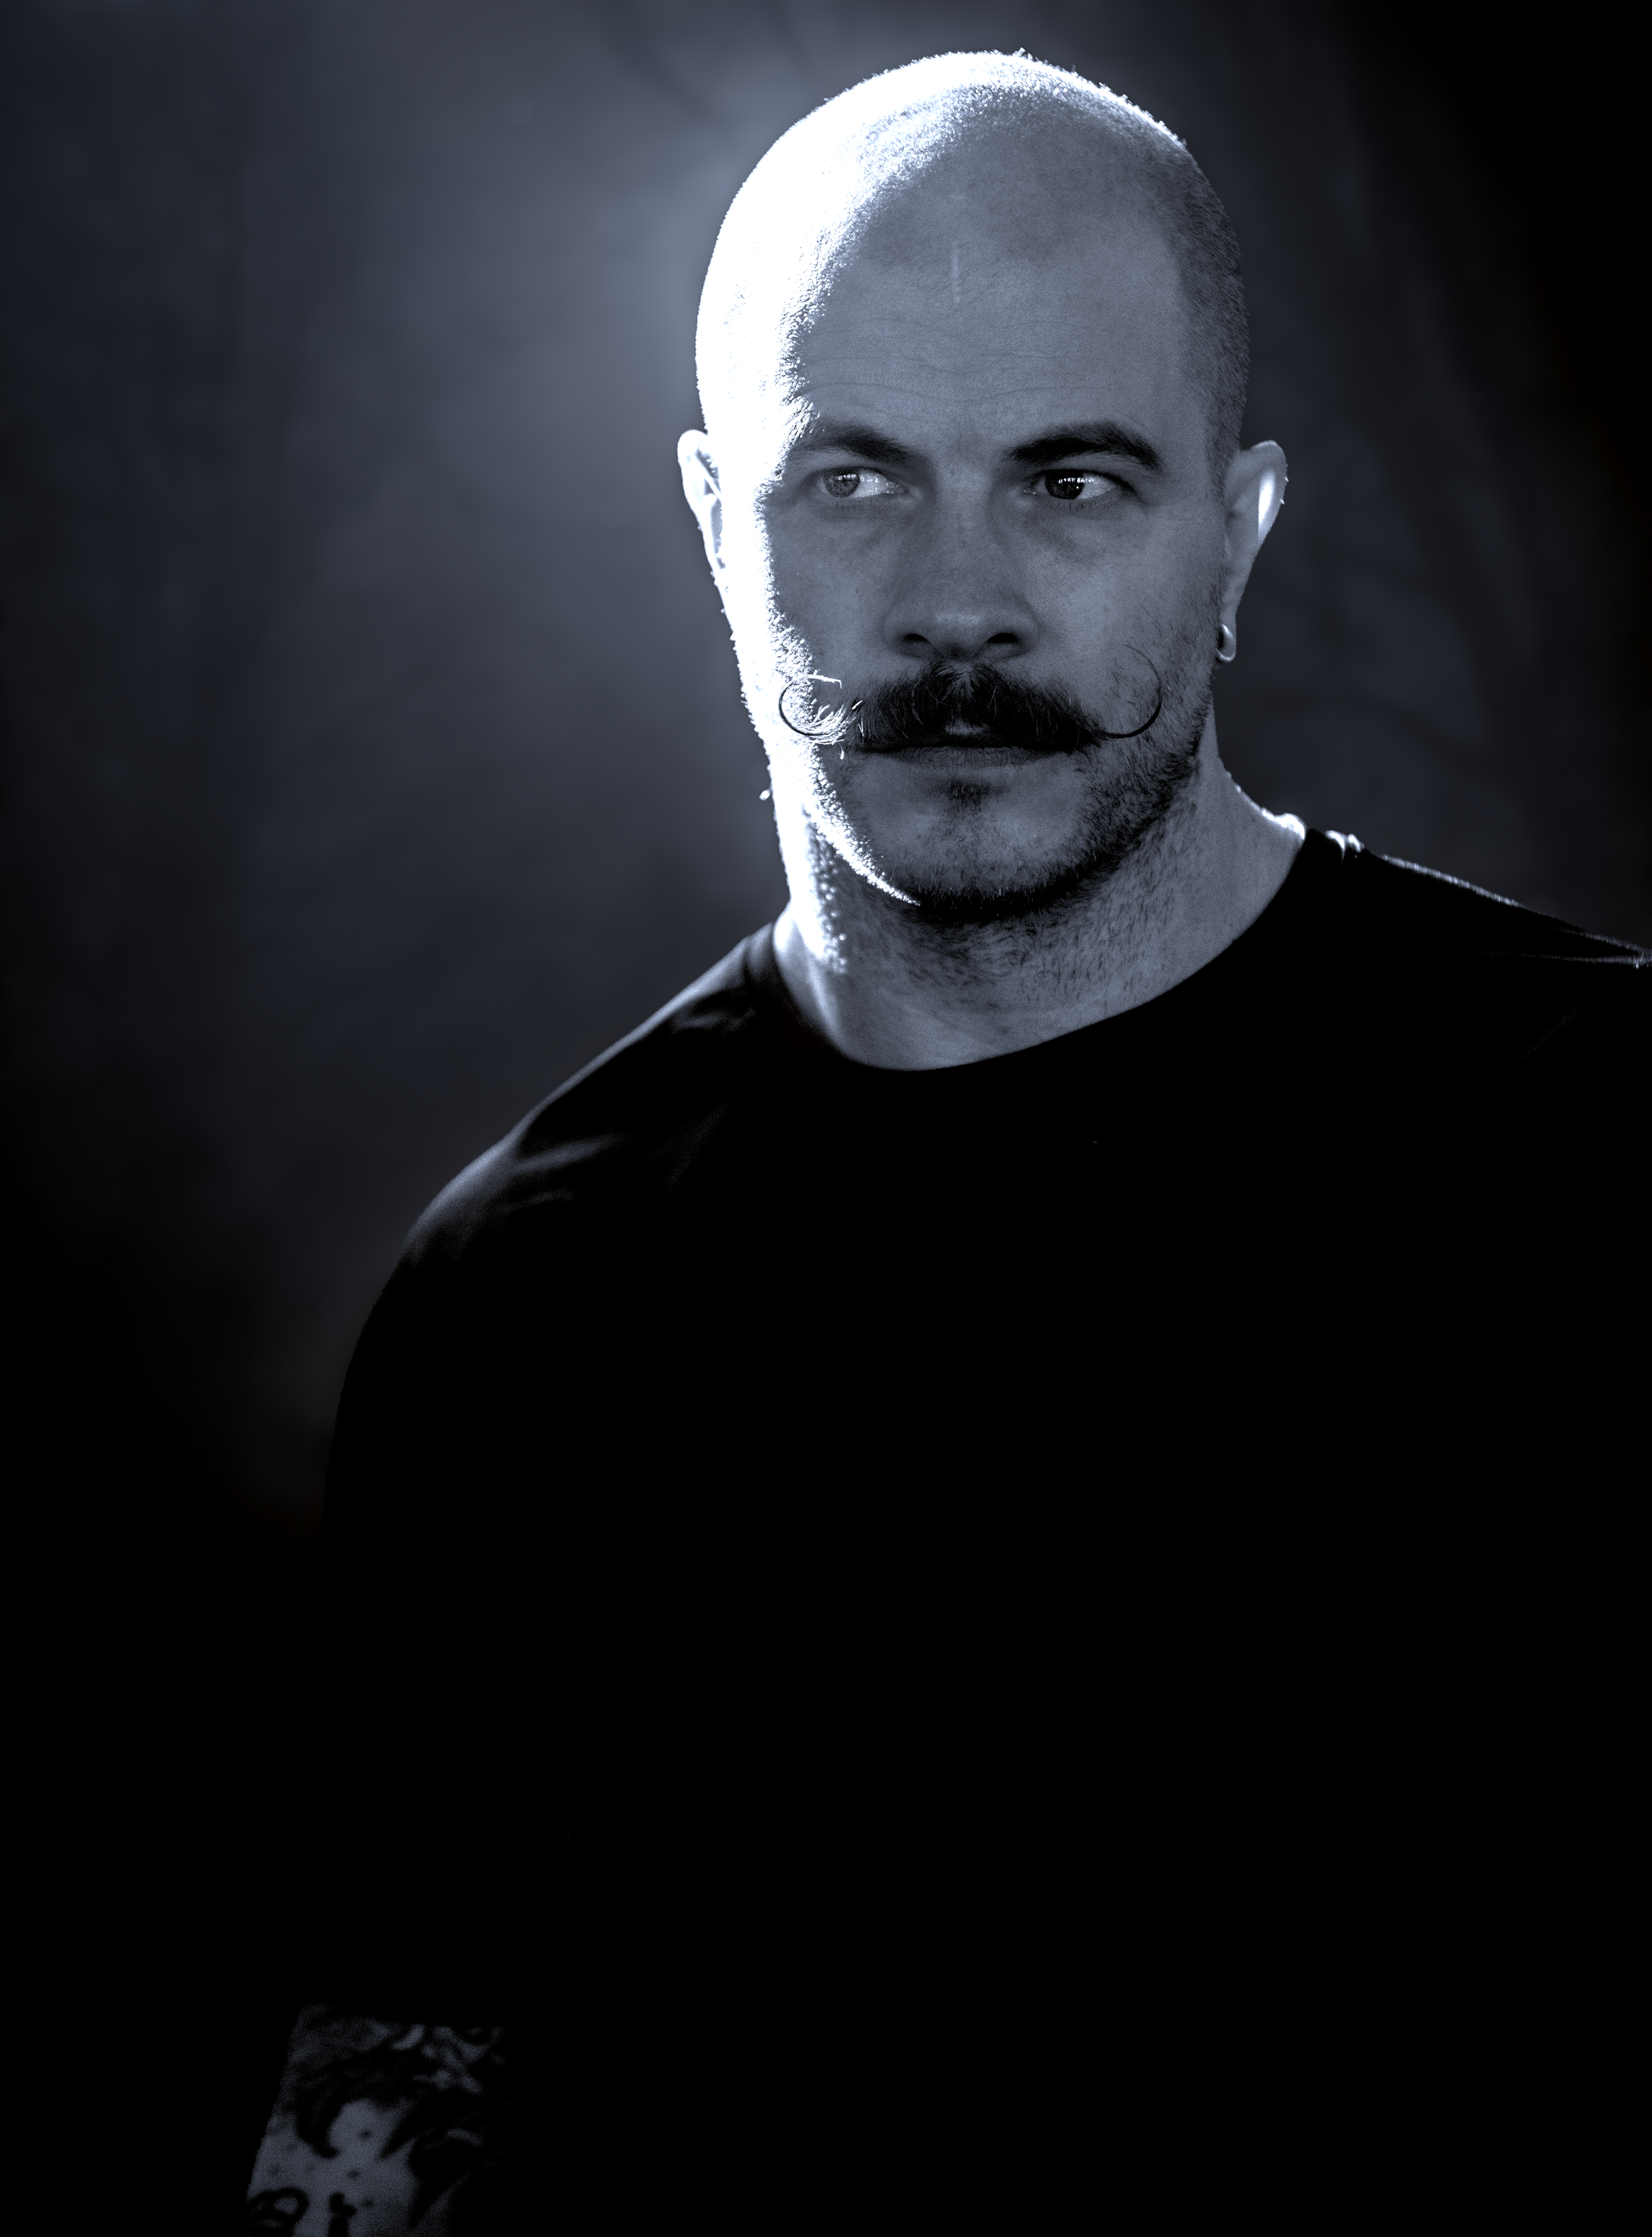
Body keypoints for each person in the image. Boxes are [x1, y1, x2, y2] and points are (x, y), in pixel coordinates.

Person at [248, 52, 1645, 2227]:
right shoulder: (517, 1298)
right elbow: (396, 2111)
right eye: (852, 479)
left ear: (1235, 531)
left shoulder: (1605, 1153)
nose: (956, 604)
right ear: (713, 524)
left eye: (1071, 481)